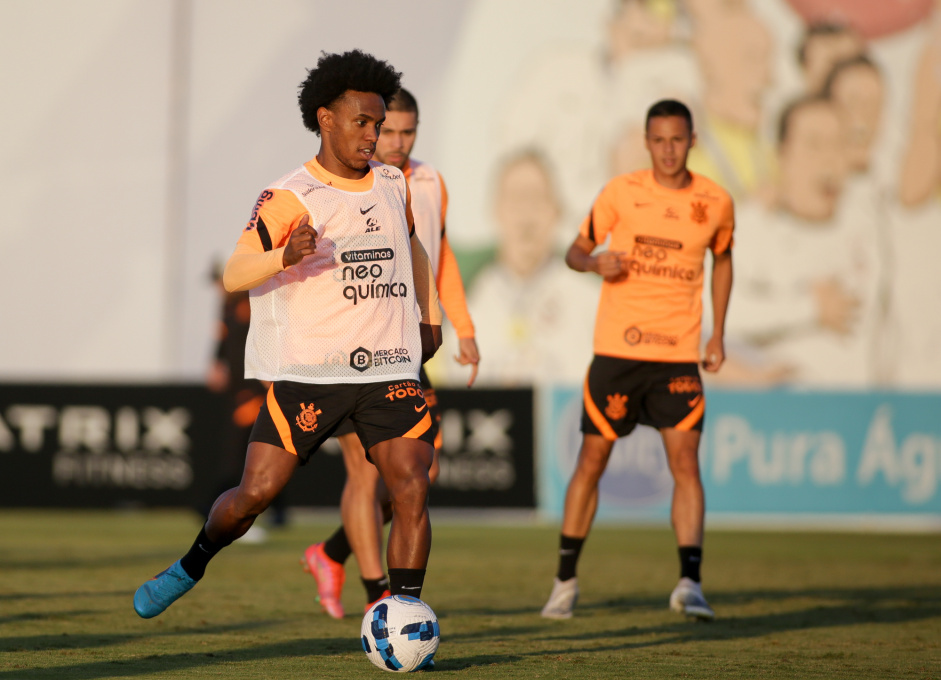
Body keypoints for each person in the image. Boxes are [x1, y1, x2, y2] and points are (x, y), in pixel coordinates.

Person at [133, 49, 443, 623]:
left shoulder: (393, 184)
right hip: (312, 374)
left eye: (379, 124)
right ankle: (191, 564)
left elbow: (414, 249)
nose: (374, 136)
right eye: (362, 122)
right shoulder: (289, 195)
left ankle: (403, 619)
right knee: (253, 496)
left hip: (386, 371)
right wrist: (284, 254)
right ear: (326, 119)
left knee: (413, 486)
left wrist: (431, 316)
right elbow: (234, 271)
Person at [540, 99, 734, 620]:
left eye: (677, 139)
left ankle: (690, 582)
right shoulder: (621, 192)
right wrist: (594, 262)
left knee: (686, 465)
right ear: (647, 142)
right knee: (591, 461)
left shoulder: (715, 201)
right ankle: (564, 581)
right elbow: (574, 251)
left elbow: (724, 260)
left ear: (691, 140)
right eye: (659, 140)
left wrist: (718, 333)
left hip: (677, 356)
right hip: (618, 353)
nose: (668, 150)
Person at [300, 88, 480, 619]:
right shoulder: (351, 177)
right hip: (350, 345)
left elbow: (436, 254)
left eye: (407, 132)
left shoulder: (427, 181)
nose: (395, 142)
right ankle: (378, 593)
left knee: (419, 477)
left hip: (406, 347)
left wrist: (460, 326)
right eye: (388, 131)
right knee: (365, 472)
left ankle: (330, 552)